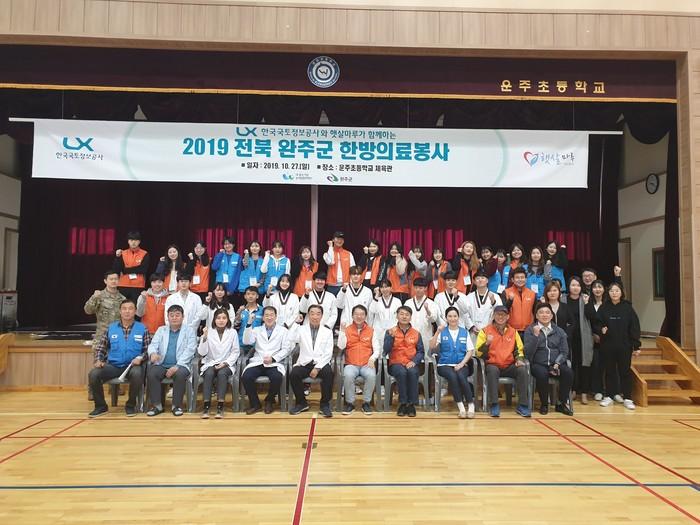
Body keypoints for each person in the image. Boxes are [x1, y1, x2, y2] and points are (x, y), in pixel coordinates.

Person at [87, 299, 151, 417]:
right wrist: (98, 360)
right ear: (120, 311)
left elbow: (148, 350)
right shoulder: (111, 328)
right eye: (124, 309)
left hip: (132, 366)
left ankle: (130, 405)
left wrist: (141, 358)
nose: (127, 311)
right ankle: (101, 406)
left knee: (137, 374)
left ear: (135, 311)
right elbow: (101, 347)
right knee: (93, 374)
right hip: (114, 366)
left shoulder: (142, 328)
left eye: (130, 309)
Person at [475, 305, 530, 417]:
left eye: (503, 315)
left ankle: (523, 405)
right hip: (493, 364)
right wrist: (487, 344)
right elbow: (478, 353)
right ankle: (494, 404)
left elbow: (519, 350)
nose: (500, 317)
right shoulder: (485, 331)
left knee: (522, 370)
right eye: (498, 314)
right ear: (493, 316)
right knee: (492, 370)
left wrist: (519, 359)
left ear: (508, 316)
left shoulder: (513, 332)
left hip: (509, 365)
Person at [595, 282, 641, 410]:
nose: (614, 293)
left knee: (625, 371)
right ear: (608, 293)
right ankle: (609, 396)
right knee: (609, 371)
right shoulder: (604, 307)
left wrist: (636, 345)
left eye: (617, 291)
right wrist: (600, 329)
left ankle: (627, 398)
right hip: (608, 345)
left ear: (621, 292)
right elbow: (597, 323)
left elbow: (634, 327)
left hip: (624, 345)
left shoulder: (628, 308)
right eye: (611, 291)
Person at [146, 304, 197, 416]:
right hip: (162, 364)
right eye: (171, 315)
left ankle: (176, 406)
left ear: (183, 317)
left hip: (181, 365)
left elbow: (190, 350)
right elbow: (153, 345)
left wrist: (177, 366)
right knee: (152, 373)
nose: (174, 318)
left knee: (179, 374)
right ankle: (157, 406)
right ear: (167, 317)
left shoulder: (189, 331)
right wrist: (153, 353)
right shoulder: (161, 330)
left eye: (177, 315)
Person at [523, 303, 574, 416]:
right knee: (542, 374)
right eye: (541, 313)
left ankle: (561, 403)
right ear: (536, 316)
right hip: (538, 363)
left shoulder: (559, 331)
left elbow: (564, 351)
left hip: (556, 363)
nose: (544, 315)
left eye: (547, 312)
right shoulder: (530, 330)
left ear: (551, 316)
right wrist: (535, 337)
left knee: (568, 373)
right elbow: (527, 353)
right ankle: (544, 404)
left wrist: (557, 363)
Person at [241, 306, 292, 414]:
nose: (269, 318)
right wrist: (249, 324)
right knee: (246, 376)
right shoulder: (257, 330)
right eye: (266, 315)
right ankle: (255, 404)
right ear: (263, 317)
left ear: (276, 316)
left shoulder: (283, 331)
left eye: (271, 315)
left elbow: (286, 349)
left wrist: (273, 358)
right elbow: (246, 341)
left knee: (277, 377)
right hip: (258, 361)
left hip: (274, 363)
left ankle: (269, 400)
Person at [288, 304, 335, 417]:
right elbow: (290, 338)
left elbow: (328, 353)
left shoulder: (327, 331)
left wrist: (317, 368)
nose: (315, 316)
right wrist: (296, 323)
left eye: (318, 314)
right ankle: (301, 403)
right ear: (308, 315)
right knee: (294, 374)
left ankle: (324, 404)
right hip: (305, 363)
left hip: (320, 363)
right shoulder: (301, 329)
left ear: (322, 316)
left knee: (329, 373)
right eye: (312, 314)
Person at [430, 307, 476, 419]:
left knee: (461, 376)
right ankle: (461, 408)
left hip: (461, 363)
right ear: (446, 318)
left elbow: (470, 350)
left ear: (458, 317)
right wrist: (437, 332)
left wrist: (462, 364)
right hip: (444, 365)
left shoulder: (464, 332)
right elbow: (432, 347)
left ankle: (471, 405)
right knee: (453, 376)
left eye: (455, 316)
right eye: (450, 316)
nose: (452, 318)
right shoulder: (442, 332)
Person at [338, 305, 380, 415]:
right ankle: (350, 403)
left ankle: (366, 403)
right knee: (348, 375)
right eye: (356, 314)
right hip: (351, 364)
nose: (359, 316)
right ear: (352, 316)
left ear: (365, 316)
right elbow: (341, 346)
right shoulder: (347, 330)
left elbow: (377, 349)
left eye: (362, 314)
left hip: (367, 364)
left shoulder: (371, 330)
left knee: (371, 375)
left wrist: (372, 358)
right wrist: (342, 332)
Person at [198, 308, 240, 419]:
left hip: (226, 363)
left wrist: (225, 363)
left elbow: (235, 351)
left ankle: (220, 407)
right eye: (218, 318)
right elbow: (202, 352)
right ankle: (206, 406)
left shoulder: (232, 332)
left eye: (224, 318)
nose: (221, 320)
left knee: (222, 374)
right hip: (211, 362)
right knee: (208, 373)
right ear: (214, 320)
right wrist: (204, 337)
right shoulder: (209, 331)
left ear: (228, 320)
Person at [383, 306, 424, 417]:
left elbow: (421, 352)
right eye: (401, 314)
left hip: (411, 362)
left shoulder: (416, 333)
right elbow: (386, 350)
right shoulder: (390, 331)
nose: (404, 317)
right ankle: (403, 403)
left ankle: (411, 404)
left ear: (410, 317)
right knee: (402, 372)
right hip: (396, 363)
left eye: (407, 314)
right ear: (397, 316)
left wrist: (414, 361)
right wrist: (390, 338)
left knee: (413, 372)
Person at [565, 276, 595, 405]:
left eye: (578, 285)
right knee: (570, 364)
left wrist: (587, 304)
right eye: (573, 285)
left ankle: (584, 393)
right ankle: (572, 390)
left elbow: (592, 316)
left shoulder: (585, 298)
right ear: (569, 286)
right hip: (567, 337)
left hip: (584, 337)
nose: (575, 288)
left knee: (584, 365)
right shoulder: (563, 299)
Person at [84, 271, 127, 353]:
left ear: (119, 281)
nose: (113, 281)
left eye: (116, 279)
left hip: (117, 338)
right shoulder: (99, 296)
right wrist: (94, 298)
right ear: (105, 281)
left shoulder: (123, 299)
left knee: (116, 360)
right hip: (101, 338)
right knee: (99, 360)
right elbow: (88, 310)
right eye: (111, 279)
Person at [585, 279, 612, 402]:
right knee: (596, 365)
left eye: (600, 287)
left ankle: (611, 391)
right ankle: (597, 390)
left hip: (607, 338)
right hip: (593, 339)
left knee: (609, 365)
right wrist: (593, 335)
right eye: (595, 287)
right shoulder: (588, 303)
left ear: (604, 289)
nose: (597, 289)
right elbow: (587, 322)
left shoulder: (608, 304)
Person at [464, 269, 503, 340]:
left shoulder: (495, 296)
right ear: (474, 282)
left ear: (487, 280)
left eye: (482, 278)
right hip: (473, 332)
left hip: (490, 332)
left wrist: (493, 302)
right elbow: (465, 313)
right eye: (477, 278)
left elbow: (500, 313)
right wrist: (471, 327)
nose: (480, 280)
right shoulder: (469, 297)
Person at [112, 231, 150, 302]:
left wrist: (125, 270)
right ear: (128, 241)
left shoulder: (144, 253)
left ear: (139, 241)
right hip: (123, 284)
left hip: (138, 285)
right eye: (131, 240)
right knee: (121, 306)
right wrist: (117, 257)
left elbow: (143, 269)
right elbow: (117, 269)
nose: (133, 242)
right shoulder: (122, 253)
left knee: (135, 307)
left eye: (136, 240)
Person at [405, 277, 437, 352]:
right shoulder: (408, 303)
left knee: (426, 356)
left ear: (425, 288)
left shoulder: (431, 303)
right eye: (416, 288)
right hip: (410, 336)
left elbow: (433, 319)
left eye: (420, 288)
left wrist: (427, 310)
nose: (418, 290)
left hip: (425, 335)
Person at [502, 267, 536, 334]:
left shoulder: (532, 294)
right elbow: (503, 311)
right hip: (511, 330)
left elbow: (535, 311)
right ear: (512, 279)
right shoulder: (506, 292)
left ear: (526, 279)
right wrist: (510, 301)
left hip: (529, 330)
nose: (520, 280)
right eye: (517, 277)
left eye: (522, 277)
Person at [368, 279, 402, 345]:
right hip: (378, 331)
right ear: (379, 289)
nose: (384, 289)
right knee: (378, 348)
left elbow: (399, 317)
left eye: (386, 287)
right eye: (382, 287)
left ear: (391, 288)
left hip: (393, 330)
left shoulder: (397, 301)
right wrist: (377, 295)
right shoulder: (377, 300)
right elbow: (372, 311)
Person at [323, 231, 356, 296]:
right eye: (337, 238)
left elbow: (353, 270)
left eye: (341, 239)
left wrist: (351, 283)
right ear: (333, 240)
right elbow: (330, 262)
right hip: (332, 286)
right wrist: (330, 247)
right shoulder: (327, 254)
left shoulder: (348, 254)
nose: (340, 241)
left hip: (345, 285)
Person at [238, 240, 265, 306]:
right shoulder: (246, 259)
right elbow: (246, 263)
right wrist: (246, 254)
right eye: (252, 246)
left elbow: (265, 274)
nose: (254, 248)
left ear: (260, 248)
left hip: (259, 289)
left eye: (256, 246)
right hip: (246, 288)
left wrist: (259, 283)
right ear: (249, 248)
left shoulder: (264, 261)